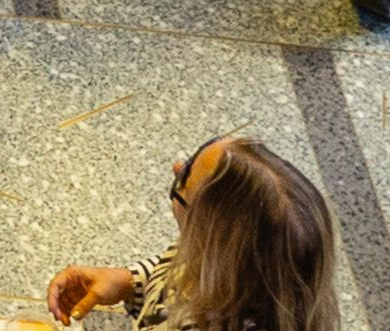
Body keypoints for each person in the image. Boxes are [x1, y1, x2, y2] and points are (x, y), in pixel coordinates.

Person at [41, 131, 345, 331]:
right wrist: (128, 281)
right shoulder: (239, 269)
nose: (176, 167)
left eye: (184, 177)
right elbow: (179, 264)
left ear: (209, 233)